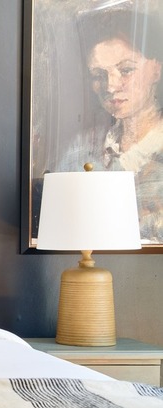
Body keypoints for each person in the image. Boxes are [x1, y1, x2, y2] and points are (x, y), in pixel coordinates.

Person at [58, 9, 163, 242]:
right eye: (98, 75)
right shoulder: (81, 148)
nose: (110, 86)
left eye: (126, 70)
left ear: (156, 68)